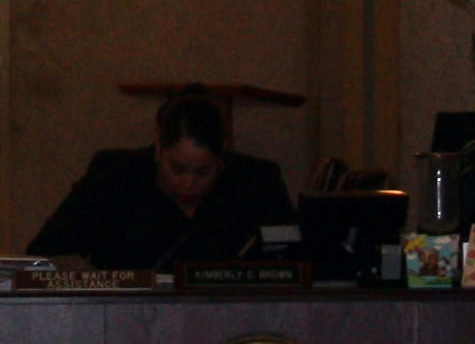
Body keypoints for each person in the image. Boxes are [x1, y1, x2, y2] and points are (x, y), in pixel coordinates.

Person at [26, 90, 298, 269]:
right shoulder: (113, 177)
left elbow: (297, 258)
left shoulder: (256, 183)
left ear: (221, 158)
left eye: (203, 172)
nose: (189, 183)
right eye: (177, 169)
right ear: (158, 148)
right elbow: (44, 253)